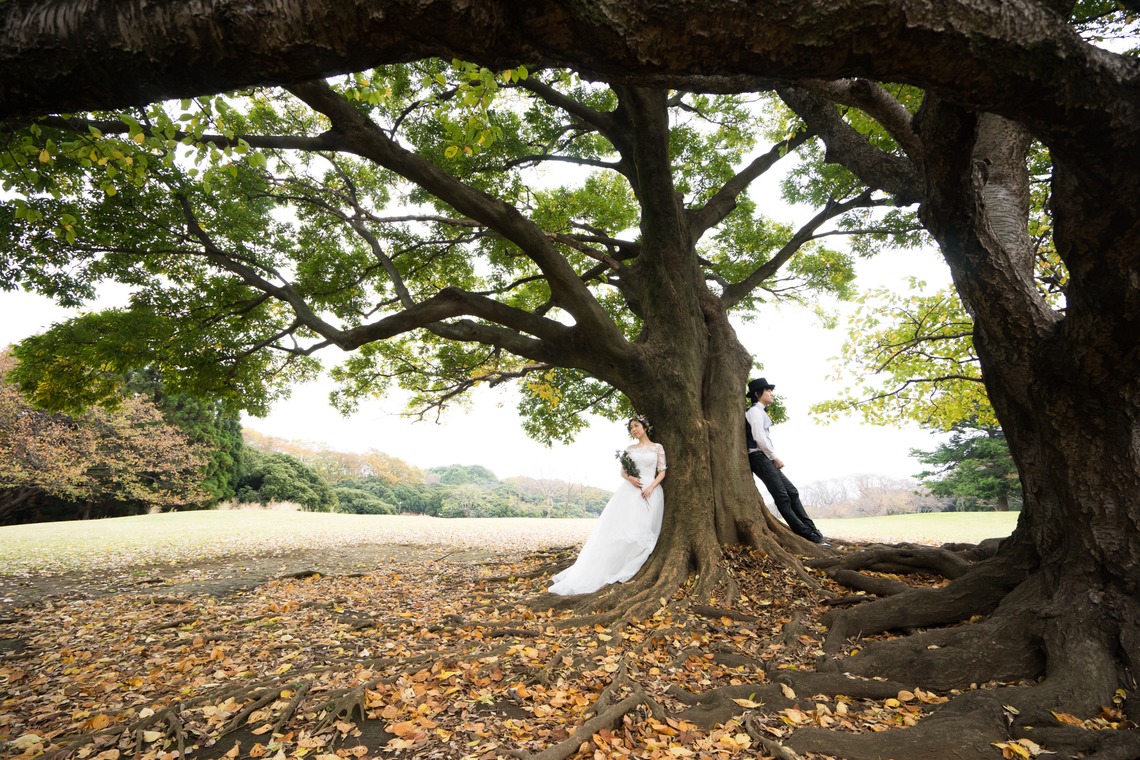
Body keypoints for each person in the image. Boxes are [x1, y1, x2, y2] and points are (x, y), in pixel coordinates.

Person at [548, 416, 667, 595]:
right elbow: (622, 472)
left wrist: (651, 487)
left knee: (643, 528)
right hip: (631, 491)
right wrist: (631, 478)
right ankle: (613, 564)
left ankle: (633, 560)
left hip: (651, 491)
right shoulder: (629, 449)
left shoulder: (657, 447)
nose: (633, 430)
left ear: (645, 427)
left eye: (636, 426)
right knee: (625, 527)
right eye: (631, 428)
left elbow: (662, 471)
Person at [745, 377, 828, 545]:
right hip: (759, 457)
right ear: (757, 393)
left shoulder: (761, 411)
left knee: (792, 492)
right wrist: (774, 457)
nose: (771, 393)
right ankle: (807, 535)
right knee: (782, 497)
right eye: (768, 390)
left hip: (765, 457)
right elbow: (759, 437)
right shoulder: (754, 411)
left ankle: (814, 531)